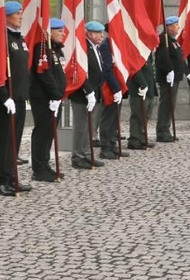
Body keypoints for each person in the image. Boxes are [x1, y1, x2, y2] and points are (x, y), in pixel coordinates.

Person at [0, 2, 32, 198]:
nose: (20, 16)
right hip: (6, 98)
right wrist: (4, 96)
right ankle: (2, 180)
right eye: (17, 13)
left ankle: (12, 176)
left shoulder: (18, 37)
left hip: (19, 97)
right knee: (5, 139)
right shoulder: (2, 39)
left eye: (21, 13)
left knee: (14, 139)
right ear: (6, 16)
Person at [29, 19, 67, 181]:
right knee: (42, 132)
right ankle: (39, 169)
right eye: (59, 31)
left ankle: (45, 164)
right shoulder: (43, 48)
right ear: (50, 32)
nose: (63, 34)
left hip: (54, 98)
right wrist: (55, 94)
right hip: (43, 97)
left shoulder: (56, 50)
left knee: (50, 132)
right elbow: (44, 74)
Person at [70, 22, 104, 170]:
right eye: (98, 33)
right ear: (89, 34)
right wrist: (88, 91)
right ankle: (77, 156)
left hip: (94, 93)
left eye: (102, 33)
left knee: (89, 126)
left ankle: (87, 154)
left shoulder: (95, 48)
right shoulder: (84, 48)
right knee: (81, 126)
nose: (101, 36)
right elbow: (82, 73)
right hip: (82, 94)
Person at [154, 16, 185, 142]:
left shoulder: (173, 40)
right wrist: (169, 70)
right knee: (166, 104)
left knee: (170, 105)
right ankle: (162, 132)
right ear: (169, 27)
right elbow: (162, 58)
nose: (178, 27)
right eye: (176, 25)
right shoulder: (164, 39)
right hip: (167, 78)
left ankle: (166, 129)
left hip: (174, 77)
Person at [96, 27, 125, 161]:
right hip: (109, 87)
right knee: (108, 118)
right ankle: (105, 147)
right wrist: (115, 88)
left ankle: (113, 145)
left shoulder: (116, 45)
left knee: (115, 118)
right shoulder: (106, 46)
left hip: (117, 85)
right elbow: (107, 70)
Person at [126, 50, 157, 150]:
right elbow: (134, 69)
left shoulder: (147, 51)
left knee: (146, 115)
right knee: (138, 115)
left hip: (149, 88)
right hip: (139, 88)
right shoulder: (137, 49)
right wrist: (142, 84)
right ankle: (134, 139)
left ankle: (142, 137)